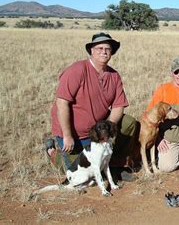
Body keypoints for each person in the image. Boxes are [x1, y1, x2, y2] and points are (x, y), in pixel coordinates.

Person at [47, 32, 138, 171]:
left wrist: (107, 130)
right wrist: (67, 135)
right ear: (91, 51)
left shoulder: (114, 75)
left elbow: (118, 106)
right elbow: (62, 103)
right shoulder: (77, 69)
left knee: (129, 123)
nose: (104, 52)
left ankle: (117, 163)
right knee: (78, 172)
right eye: (99, 48)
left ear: (112, 52)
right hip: (74, 134)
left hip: (97, 130)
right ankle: (52, 151)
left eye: (107, 49)